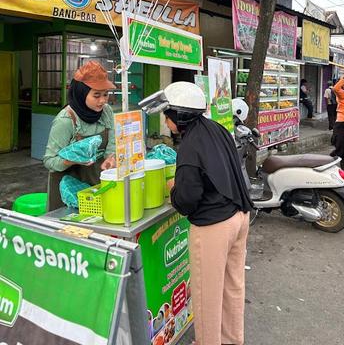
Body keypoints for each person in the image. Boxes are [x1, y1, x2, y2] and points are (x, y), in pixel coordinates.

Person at [139, 82, 253, 345]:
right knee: (232, 288)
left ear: (180, 115)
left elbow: (187, 201)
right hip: (239, 216)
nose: (166, 122)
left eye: (168, 116)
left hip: (214, 226)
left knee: (207, 295)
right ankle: (231, 340)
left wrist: (173, 188)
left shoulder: (189, 147)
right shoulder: (216, 128)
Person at [44, 61, 117, 211]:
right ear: (81, 93)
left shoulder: (107, 112)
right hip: (68, 188)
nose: (102, 100)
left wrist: (111, 158)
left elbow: (112, 141)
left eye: (106, 94)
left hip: (96, 183)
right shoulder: (65, 121)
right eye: (96, 95)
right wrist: (71, 159)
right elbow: (49, 161)